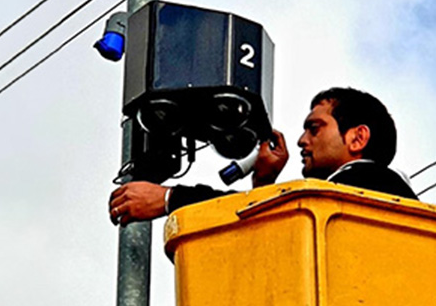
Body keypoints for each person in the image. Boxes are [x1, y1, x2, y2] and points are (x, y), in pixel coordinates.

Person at [109, 87, 417, 226]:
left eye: (315, 129)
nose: (301, 140)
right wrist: (265, 181)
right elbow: (270, 229)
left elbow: (269, 214)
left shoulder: (372, 181)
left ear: (357, 138)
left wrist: (168, 198)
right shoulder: (355, 195)